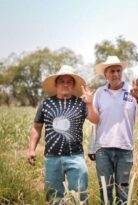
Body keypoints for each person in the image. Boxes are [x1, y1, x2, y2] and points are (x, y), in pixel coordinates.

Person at [84, 56, 138, 204]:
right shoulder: (100, 93)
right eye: (111, 71)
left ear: (122, 72)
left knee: (123, 192)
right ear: (105, 74)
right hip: (103, 150)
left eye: (118, 71)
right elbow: (94, 121)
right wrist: (91, 147)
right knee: (105, 191)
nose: (115, 74)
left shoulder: (132, 92)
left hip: (125, 149)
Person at [28, 65, 91, 203]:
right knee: (54, 197)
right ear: (56, 84)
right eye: (62, 81)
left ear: (73, 85)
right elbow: (37, 127)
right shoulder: (46, 103)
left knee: (80, 195)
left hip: (75, 156)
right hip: (52, 158)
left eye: (69, 82)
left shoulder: (81, 103)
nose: (65, 84)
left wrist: (90, 103)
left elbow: (95, 119)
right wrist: (32, 149)